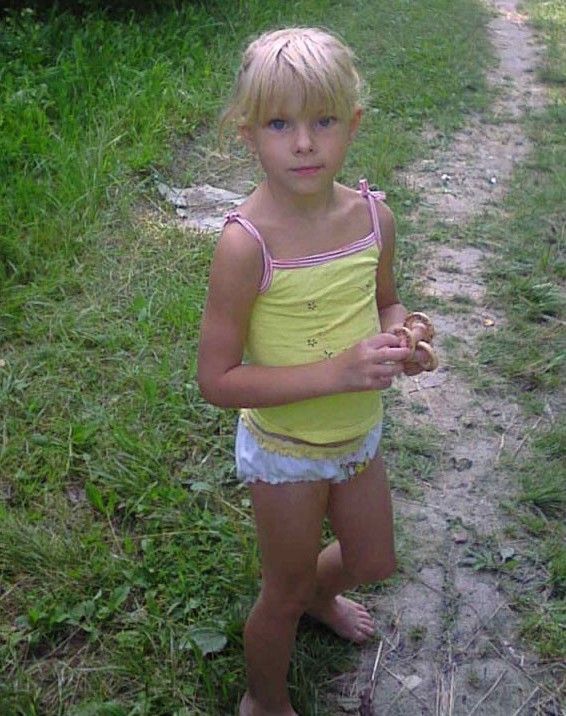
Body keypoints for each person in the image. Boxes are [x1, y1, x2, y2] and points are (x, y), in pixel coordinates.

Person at [197, 26, 436, 716]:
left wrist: (405, 336)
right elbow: (217, 380)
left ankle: (321, 598)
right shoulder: (245, 244)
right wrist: (338, 371)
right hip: (286, 452)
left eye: (323, 121)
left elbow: (386, 302)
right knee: (283, 591)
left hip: (358, 437)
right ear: (249, 134)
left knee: (373, 562)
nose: (304, 143)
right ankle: (264, 699)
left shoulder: (373, 218)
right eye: (280, 124)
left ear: (352, 125)